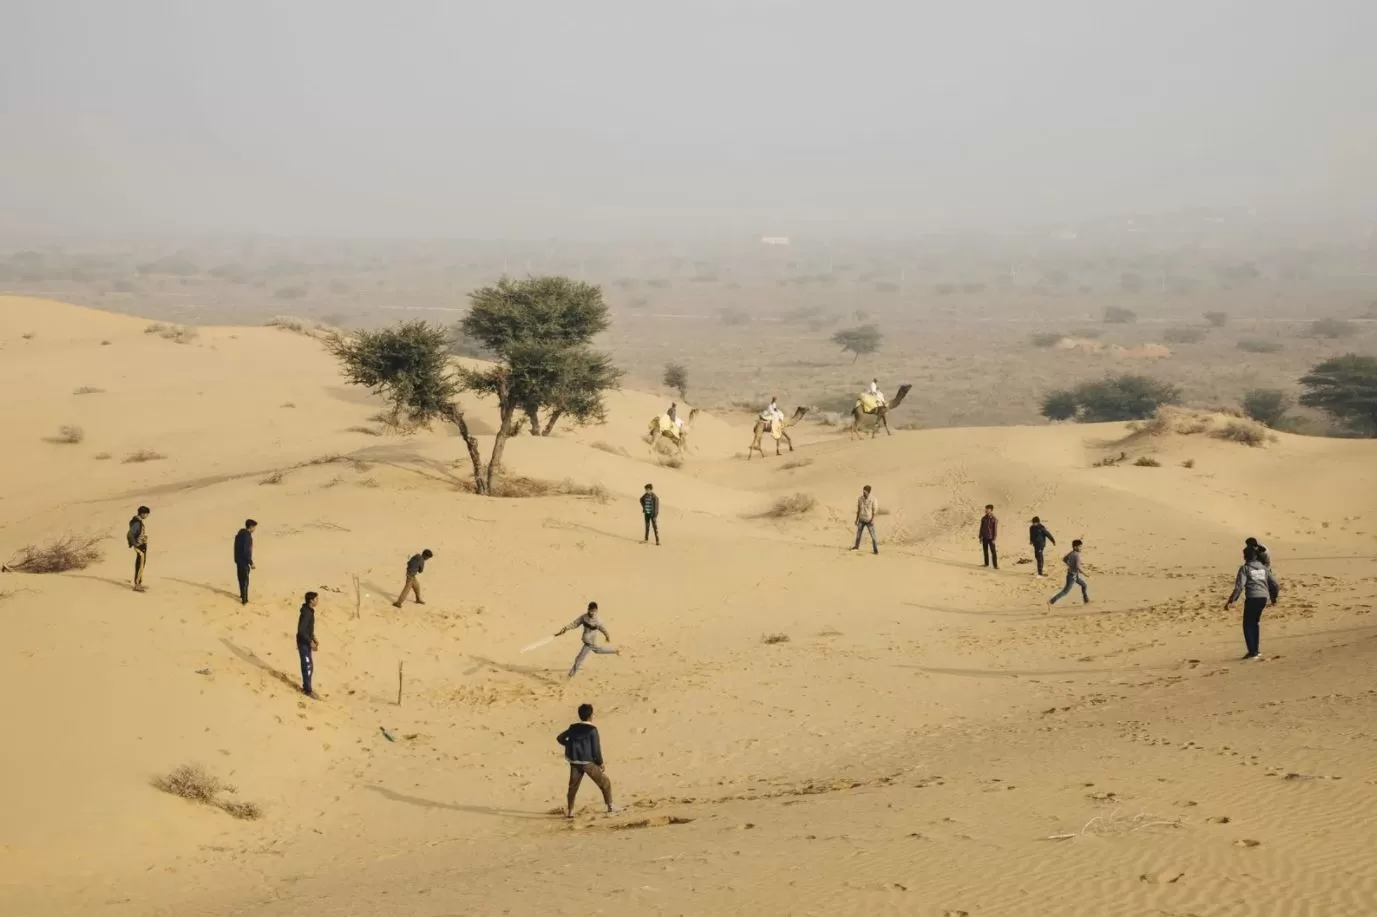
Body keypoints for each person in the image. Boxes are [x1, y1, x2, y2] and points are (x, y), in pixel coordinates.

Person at [557, 703, 616, 817]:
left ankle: (570, 811)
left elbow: (560, 738)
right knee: (605, 782)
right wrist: (600, 763)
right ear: (591, 715)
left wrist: (569, 745)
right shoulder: (592, 730)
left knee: (573, 787)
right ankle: (610, 806)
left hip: (574, 761)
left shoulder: (573, 727)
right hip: (587, 762)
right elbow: (596, 749)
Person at [1226, 546, 1280, 660]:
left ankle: (1253, 652)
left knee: (1248, 624)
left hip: (1252, 598)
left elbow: (1239, 586)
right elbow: (1274, 584)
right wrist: (1273, 598)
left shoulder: (1245, 568)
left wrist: (1232, 600)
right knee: (1255, 623)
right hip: (1263, 598)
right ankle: (1255, 650)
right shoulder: (1264, 568)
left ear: (1245, 557)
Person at [556, 601, 619, 678]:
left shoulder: (598, 621)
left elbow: (603, 630)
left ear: (596, 611)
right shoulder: (584, 617)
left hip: (590, 643)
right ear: (588, 609)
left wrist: (607, 636)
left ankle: (571, 675)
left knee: (579, 658)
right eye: (590, 610)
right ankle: (615, 651)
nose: (591, 613)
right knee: (598, 651)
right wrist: (566, 628)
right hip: (587, 641)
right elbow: (575, 623)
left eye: (593, 611)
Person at [1048, 539, 1089, 605]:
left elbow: (1064, 559)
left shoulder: (1071, 553)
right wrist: (1085, 574)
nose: (1081, 548)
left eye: (1081, 546)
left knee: (1084, 585)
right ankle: (1051, 601)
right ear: (1075, 547)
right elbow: (1078, 567)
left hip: (1074, 575)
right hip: (1072, 576)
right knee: (1065, 592)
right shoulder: (1077, 555)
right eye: (1080, 546)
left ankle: (1086, 600)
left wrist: (1070, 564)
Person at [297, 591, 320, 698]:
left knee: (309, 665)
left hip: (306, 641)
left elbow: (307, 628)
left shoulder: (309, 611)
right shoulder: (306, 613)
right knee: (307, 666)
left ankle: (308, 687)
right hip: (303, 642)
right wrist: (310, 642)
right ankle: (307, 690)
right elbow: (301, 631)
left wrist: (313, 637)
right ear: (311, 601)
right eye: (316, 599)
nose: (317, 601)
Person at [127, 505, 150, 592]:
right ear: (142, 513)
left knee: (141, 564)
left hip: (141, 545)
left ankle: (138, 582)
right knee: (140, 565)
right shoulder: (137, 523)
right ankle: (137, 584)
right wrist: (136, 544)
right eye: (146, 514)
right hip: (140, 546)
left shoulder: (138, 521)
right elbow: (130, 535)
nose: (147, 516)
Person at [233, 519, 257, 605]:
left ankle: (242, 595)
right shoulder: (247, 537)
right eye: (254, 527)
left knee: (241, 579)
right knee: (245, 580)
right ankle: (245, 600)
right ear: (251, 527)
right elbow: (246, 551)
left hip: (238, 560)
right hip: (244, 561)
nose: (255, 529)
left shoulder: (239, 535)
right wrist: (251, 562)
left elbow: (236, 548)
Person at [851, 484, 879, 554]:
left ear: (868, 492)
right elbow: (858, 509)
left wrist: (872, 520)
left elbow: (874, 511)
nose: (863, 492)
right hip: (861, 519)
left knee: (873, 536)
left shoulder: (873, 499)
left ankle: (875, 550)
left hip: (869, 520)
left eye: (865, 491)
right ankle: (856, 547)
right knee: (858, 534)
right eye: (863, 491)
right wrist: (856, 519)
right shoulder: (860, 499)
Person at [979, 504, 999, 570]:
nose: (986, 510)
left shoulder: (994, 519)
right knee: (985, 551)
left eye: (988, 509)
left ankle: (995, 565)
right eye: (986, 509)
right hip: (984, 537)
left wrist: (994, 538)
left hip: (991, 538)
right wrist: (980, 537)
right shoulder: (983, 518)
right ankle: (986, 563)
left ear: (991, 510)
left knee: (993, 552)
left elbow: (995, 530)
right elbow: (981, 528)